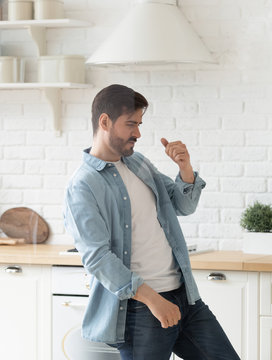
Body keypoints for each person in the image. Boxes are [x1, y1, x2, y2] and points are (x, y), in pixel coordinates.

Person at [64, 84, 240, 360]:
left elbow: (183, 205)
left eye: (140, 124)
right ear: (105, 122)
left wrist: (185, 168)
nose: (138, 133)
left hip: (185, 299)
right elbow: (97, 258)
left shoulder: (139, 164)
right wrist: (154, 301)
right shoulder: (83, 185)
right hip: (141, 310)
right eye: (131, 124)